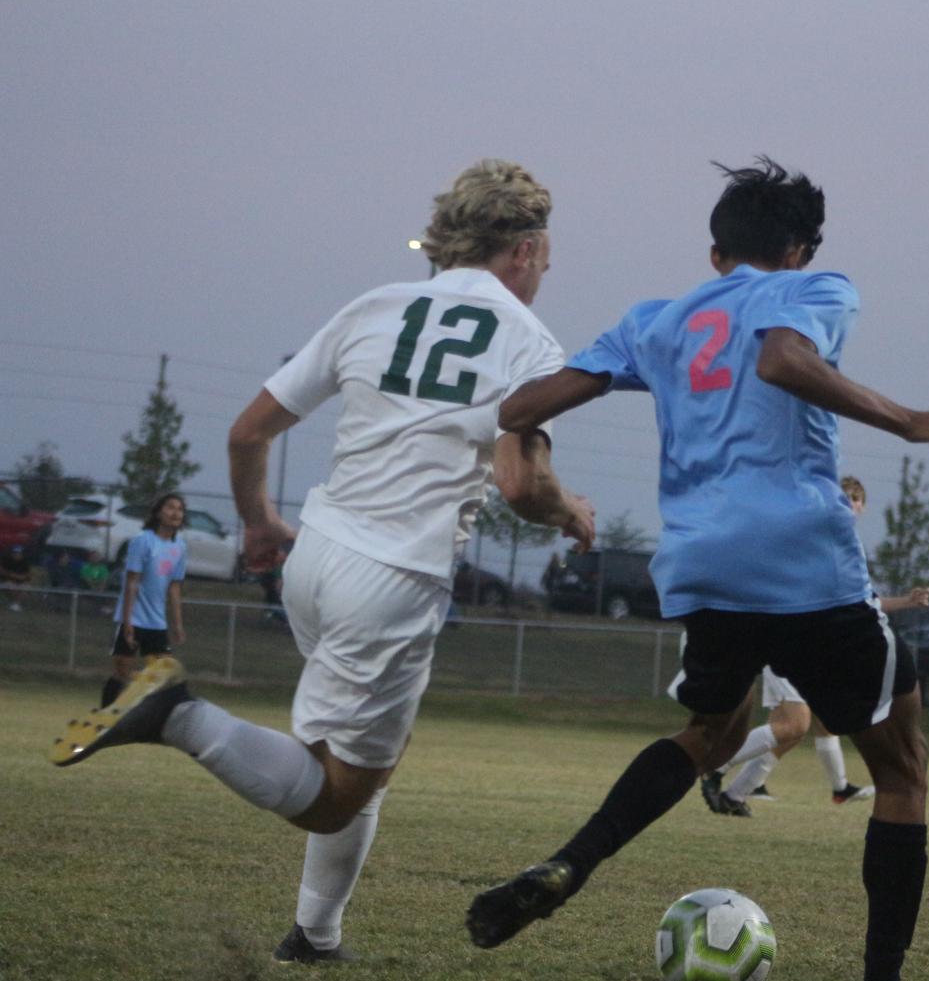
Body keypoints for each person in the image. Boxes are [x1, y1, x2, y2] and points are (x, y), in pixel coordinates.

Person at [47, 158, 594, 966]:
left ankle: (315, 934)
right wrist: (570, 509)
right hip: (395, 578)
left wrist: (259, 523)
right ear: (524, 249)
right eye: (546, 255)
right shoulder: (531, 342)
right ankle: (172, 713)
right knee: (331, 798)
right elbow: (521, 484)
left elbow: (246, 434)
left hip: (316, 555)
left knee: (368, 760)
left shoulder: (375, 306)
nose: (546, 270)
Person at [472, 157, 929, 981]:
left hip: (700, 562)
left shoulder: (654, 320)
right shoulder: (814, 289)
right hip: (802, 557)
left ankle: (569, 862)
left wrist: (548, 480)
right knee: (902, 768)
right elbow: (781, 359)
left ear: (715, 253)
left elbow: (519, 409)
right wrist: (909, 420)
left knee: (707, 733)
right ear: (799, 249)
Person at [702, 475, 929, 815]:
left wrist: (906, 602)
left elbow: (864, 604)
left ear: (863, 506)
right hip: (794, 643)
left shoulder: (847, 545)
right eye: (844, 497)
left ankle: (737, 794)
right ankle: (713, 765)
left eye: (855, 498)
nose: (849, 503)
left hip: (816, 648)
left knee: (799, 730)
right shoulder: (819, 538)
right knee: (794, 724)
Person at [97, 492, 189, 707]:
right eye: (170, 507)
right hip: (134, 618)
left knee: (162, 674)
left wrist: (177, 624)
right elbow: (131, 582)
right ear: (158, 513)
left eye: (180, 509)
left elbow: (175, 587)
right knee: (122, 672)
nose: (175, 513)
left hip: (156, 622)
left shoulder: (180, 547)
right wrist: (127, 622)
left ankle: (146, 719)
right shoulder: (142, 541)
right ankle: (104, 718)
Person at [2, 544, 31, 612]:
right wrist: (14, 576)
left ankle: (16, 604)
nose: (16, 555)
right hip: (7, 581)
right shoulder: (6, 560)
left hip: (20, 582)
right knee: (10, 585)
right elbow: (2, 572)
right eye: (15, 553)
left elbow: (26, 576)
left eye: (18, 553)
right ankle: (15, 604)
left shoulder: (25, 562)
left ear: (22, 554)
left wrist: (13, 575)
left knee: (27, 587)